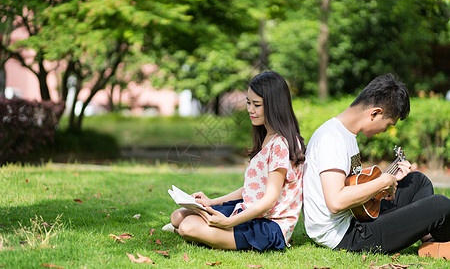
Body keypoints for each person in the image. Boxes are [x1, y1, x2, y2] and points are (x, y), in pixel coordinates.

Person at [303, 73, 450, 258]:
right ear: (375, 113)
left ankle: (429, 241)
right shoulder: (331, 139)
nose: (385, 131)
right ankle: (438, 242)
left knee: (417, 181)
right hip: (346, 235)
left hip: (357, 217)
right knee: (441, 205)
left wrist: (387, 183)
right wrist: (382, 183)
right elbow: (336, 202)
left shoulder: (345, 134)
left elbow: (352, 187)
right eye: (388, 124)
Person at [167, 71, 306, 251]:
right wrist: (211, 202)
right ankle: (200, 232)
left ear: (275, 106)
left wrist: (229, 222)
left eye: (256, 104)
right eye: (248, 102)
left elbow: (270, 199)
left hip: (268, 225)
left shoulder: (281, 144)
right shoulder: (266, 136)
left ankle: (197, 233)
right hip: (250, 210)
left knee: (187, 226)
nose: (250, 109)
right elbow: (252, 188)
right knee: (177, 216)